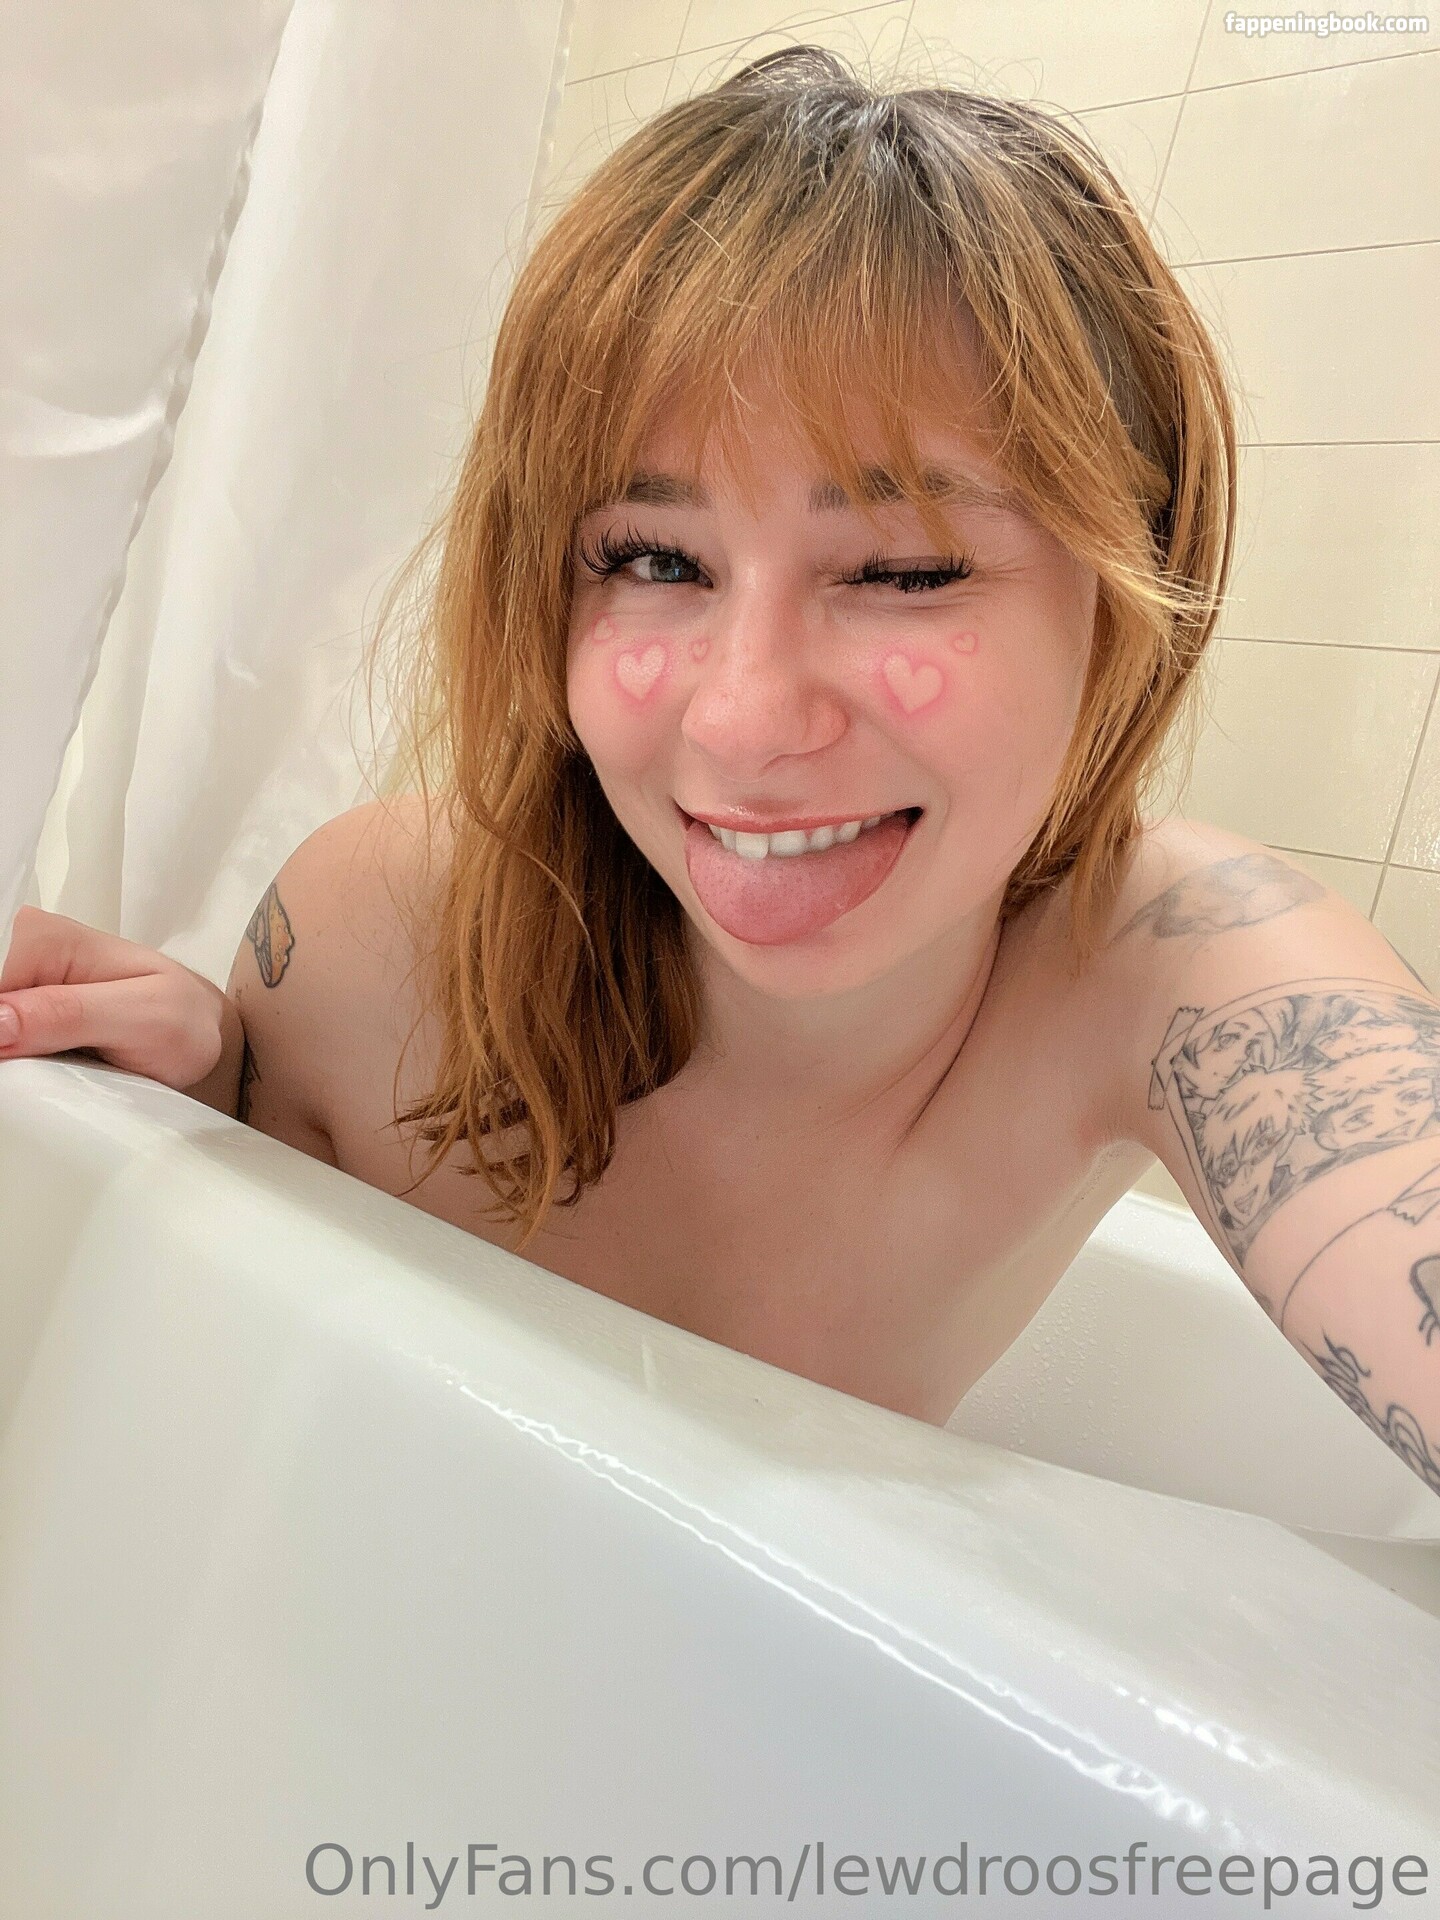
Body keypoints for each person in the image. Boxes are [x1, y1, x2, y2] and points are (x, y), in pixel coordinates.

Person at [3, 49, 1438, 1494]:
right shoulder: (378, 934)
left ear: (1128, 592)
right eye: (652, 559)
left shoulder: (1178, 974)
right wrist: (193, 1101)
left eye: (904, 570)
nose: (745, 722)